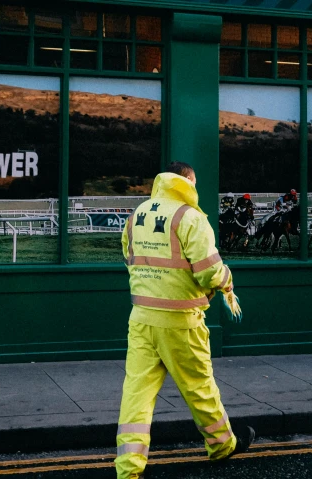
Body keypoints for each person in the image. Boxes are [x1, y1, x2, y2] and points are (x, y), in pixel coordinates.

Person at [117, 162, 254, 479]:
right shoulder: (191, 218)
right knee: (199, 388)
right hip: (181, 320)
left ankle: (127, 469)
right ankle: (221, 444)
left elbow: (129, 256)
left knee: (135, 397)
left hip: (141, 319)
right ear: (188, 182)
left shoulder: (138, 214)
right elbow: (209, 270)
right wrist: (226, 280)